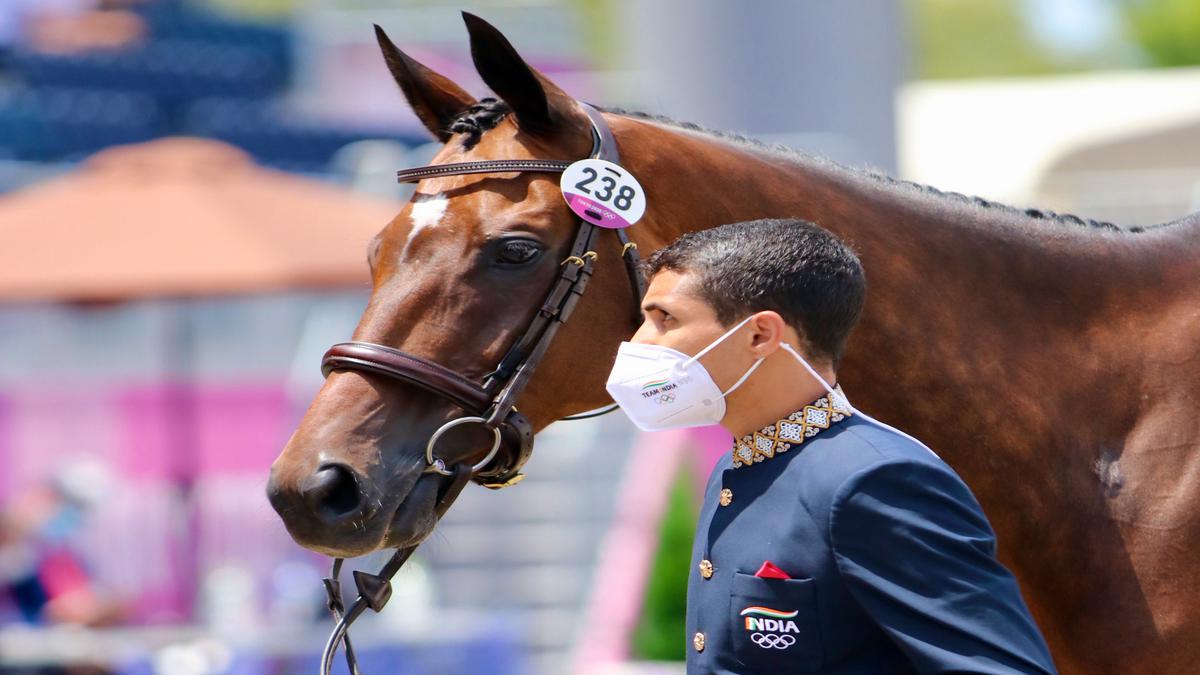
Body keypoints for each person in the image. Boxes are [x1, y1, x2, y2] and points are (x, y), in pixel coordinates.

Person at [604, 218, 1056, 673]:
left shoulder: (875, 479)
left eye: (666, 320)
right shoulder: (734, 467)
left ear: (760, 335)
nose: (641, 341)